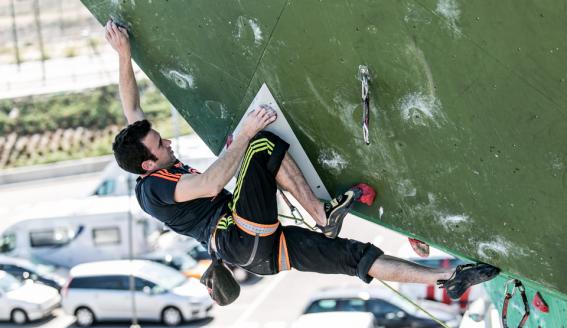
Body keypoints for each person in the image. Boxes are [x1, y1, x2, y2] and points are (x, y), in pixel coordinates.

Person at [105, 21, 499, 305]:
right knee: (258, 146)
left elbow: (131, 107)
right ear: (146, 165)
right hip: (237, 236)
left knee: (356, 258)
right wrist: (242, 136)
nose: (169, 142)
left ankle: (448, 277)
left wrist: (124, 54)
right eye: (160, 144)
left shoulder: (146, 159)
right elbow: (209, 185)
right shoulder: (154, 189)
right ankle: (321, 214)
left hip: (258, 253)